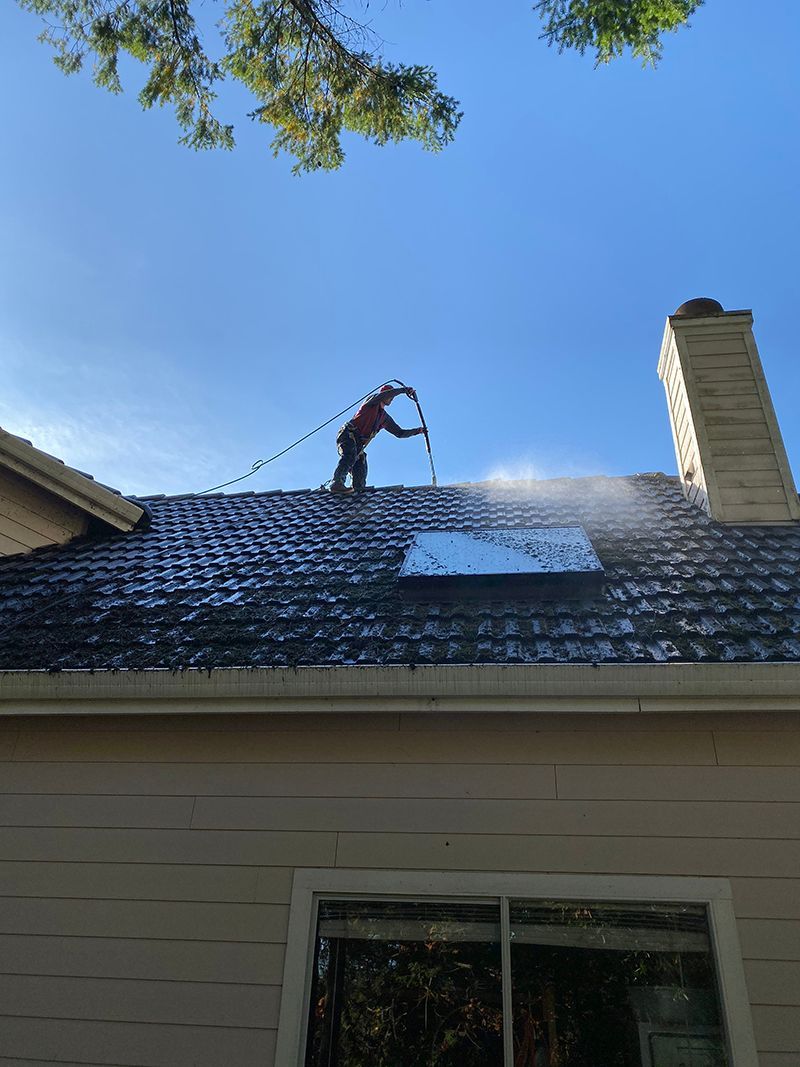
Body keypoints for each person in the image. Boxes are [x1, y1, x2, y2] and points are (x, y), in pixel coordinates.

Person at [330, 384, 425, 494]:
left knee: (361, 461)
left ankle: (358, 491)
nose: (392, 398)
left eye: (393, 397)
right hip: (348, 434)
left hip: (358, 443)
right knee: (350, 455)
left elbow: (399, 433)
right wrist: (404, 390)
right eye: (390, 395)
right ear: (383, 395)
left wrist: (418, 431)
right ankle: (337, 482)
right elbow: (387, 394)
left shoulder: (384, 417)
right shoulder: (371, 402)